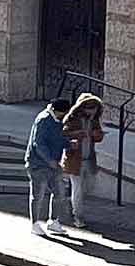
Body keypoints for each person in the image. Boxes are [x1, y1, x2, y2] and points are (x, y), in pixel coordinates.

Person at [26, 98, 77, 234]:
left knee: (60, 193)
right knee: (38, 195)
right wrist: (49, 160)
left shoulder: (58, 120)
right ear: (56, 111)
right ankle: (35, 224)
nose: (65, 116)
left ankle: (53, 222)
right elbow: (39, 144)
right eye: (64, 113)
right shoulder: (44, 120)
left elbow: (58, 138)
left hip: (53, 163)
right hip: (38, 164)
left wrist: (68, 144)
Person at [61, 90, 106, 211]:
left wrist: (97, 135)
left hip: (89, 158)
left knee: (89, 186)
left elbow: (99, 137)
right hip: (75, 160)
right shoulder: (72, 119)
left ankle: (73, 206)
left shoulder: (94, 121)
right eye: (90, 108)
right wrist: (77, 134)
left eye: (95, 108)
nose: (92, 111)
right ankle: (77, 215)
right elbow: (63, 134)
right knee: (78, 188)